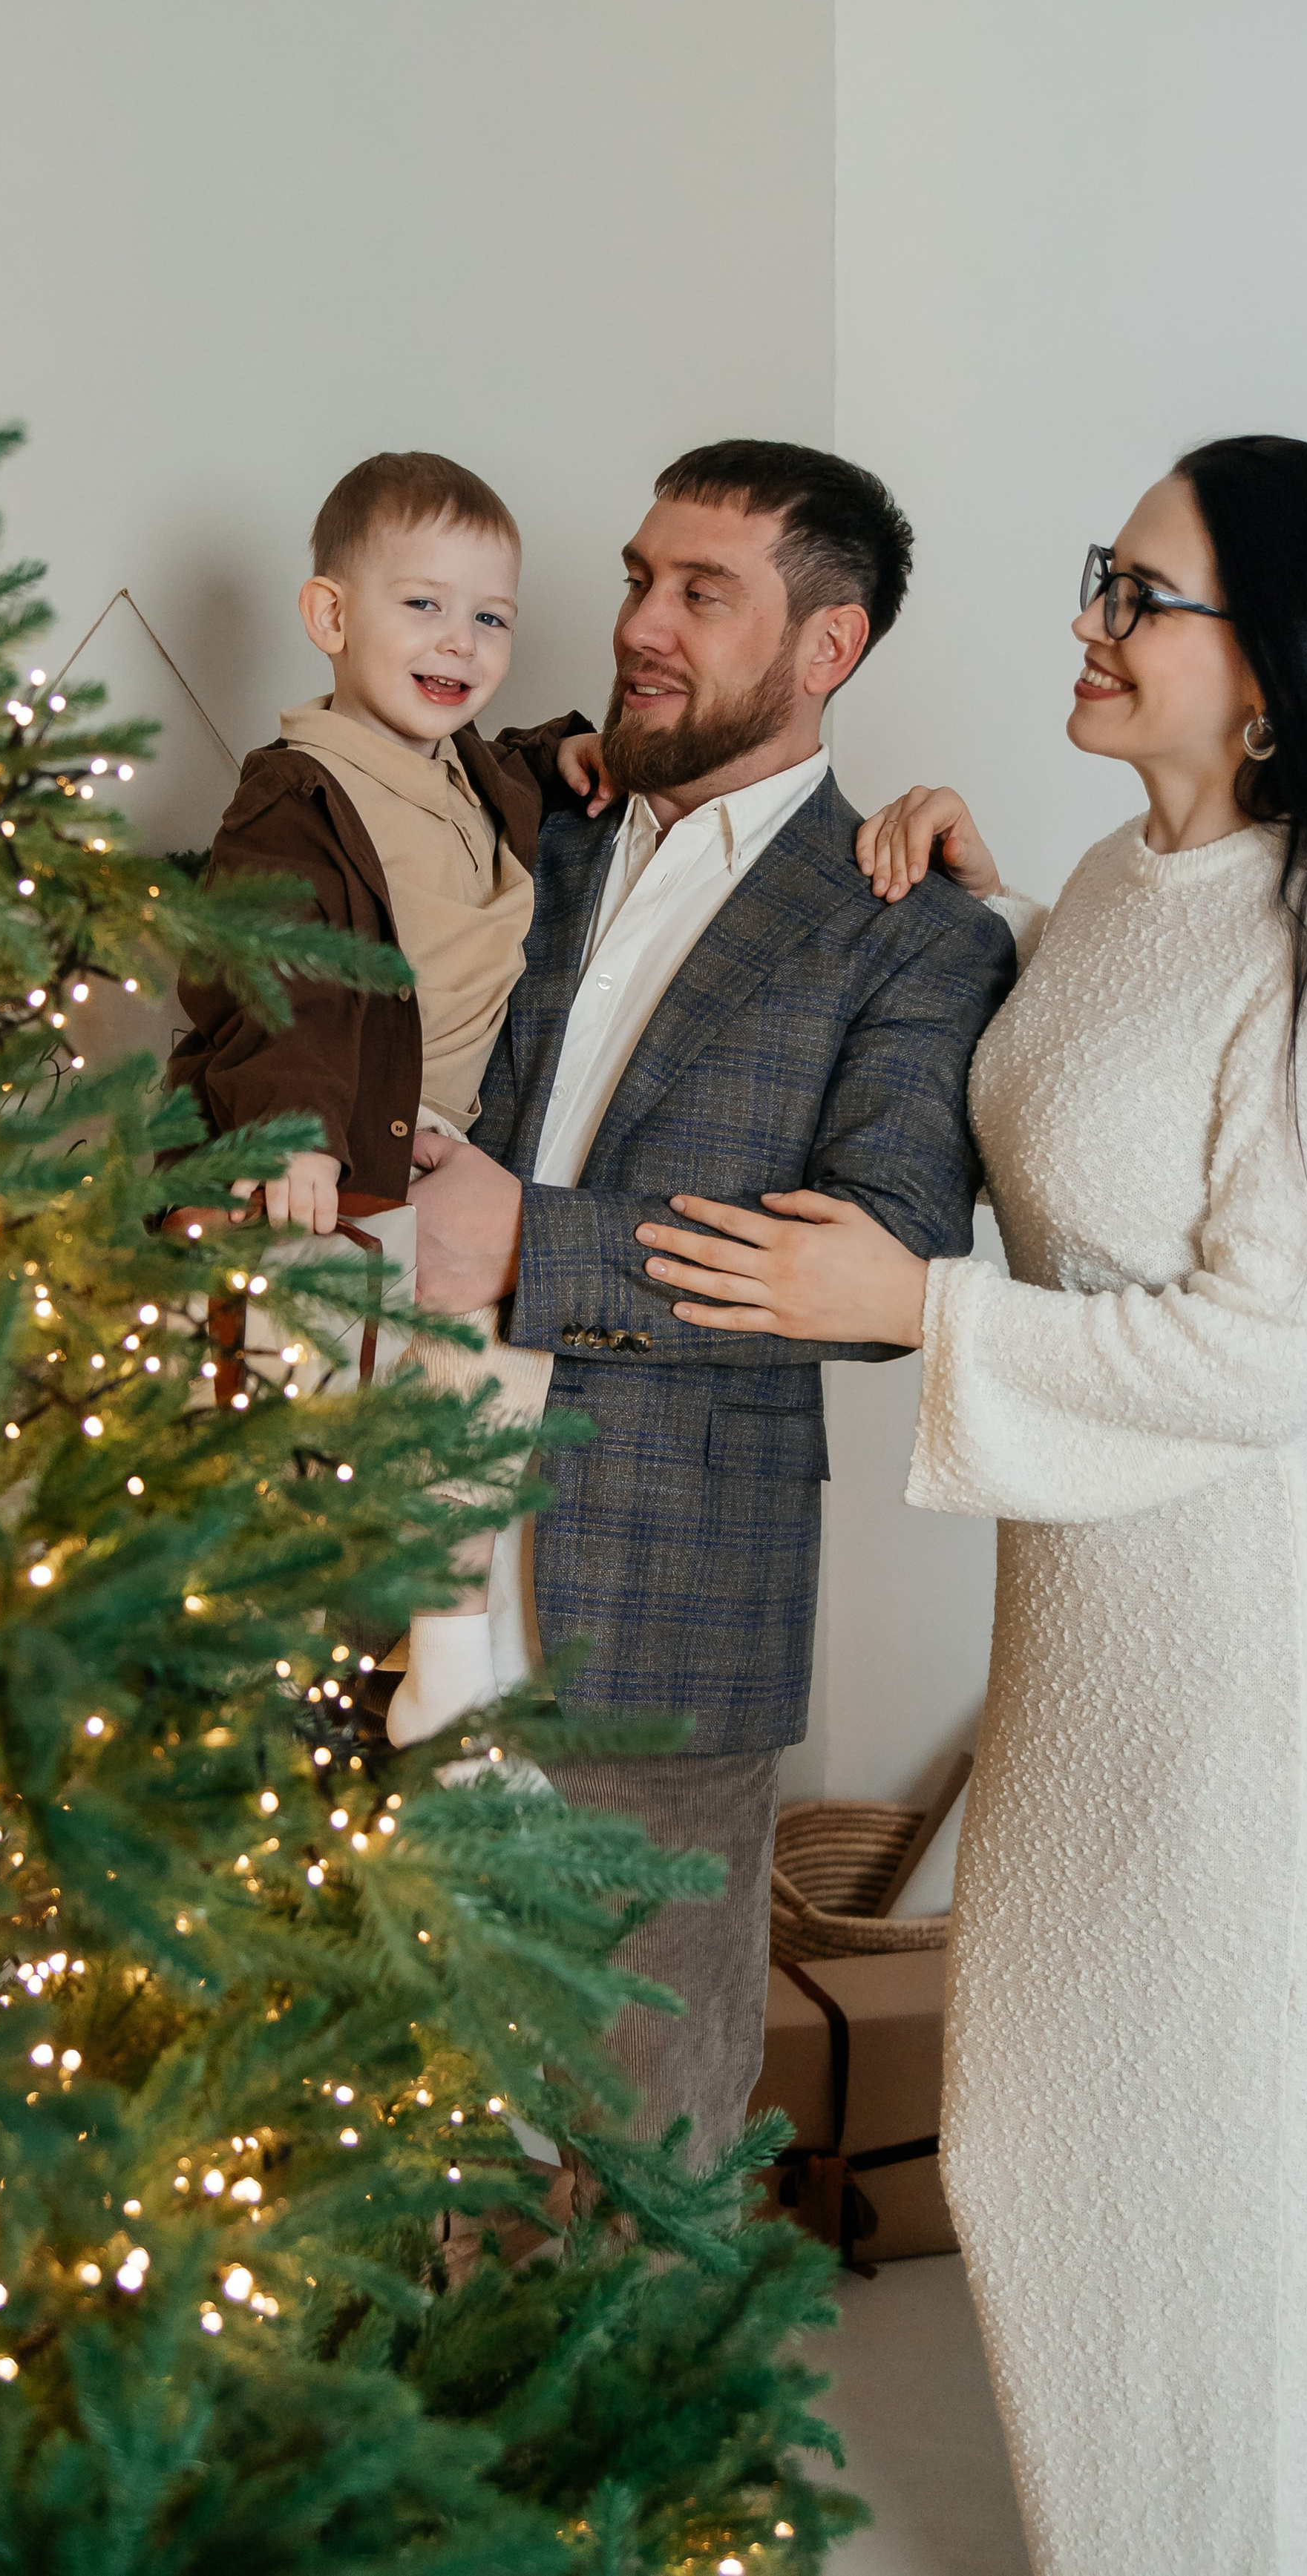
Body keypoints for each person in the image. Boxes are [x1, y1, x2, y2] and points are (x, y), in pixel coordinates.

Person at [633, 436, 1307, 2566]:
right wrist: (989, 906)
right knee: (1042, 2136)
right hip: (1104, 1623)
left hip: (1264, 1642)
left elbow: (1255, 1352)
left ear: (1272, 669)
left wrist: (914, 1306)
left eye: (1142, 596)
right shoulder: (1122, 879)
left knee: (1235, 2171)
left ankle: (1300, 2520)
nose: (1090, 624)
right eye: (1102, 573)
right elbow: (1103, 1083)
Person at [405, 438, 1015, 2158]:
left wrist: (531, 1244)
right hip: (402, 1528)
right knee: (397, 2095)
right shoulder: (528, 824)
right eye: (635, 579)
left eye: (699, 592)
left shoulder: (911, 933)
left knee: (639, 2128)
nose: (638, 625)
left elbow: (875, 1263)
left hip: (666, 1584)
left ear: (826, 646)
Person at [163, 450, 600, 1740]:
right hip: (321, 1141)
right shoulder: (299, 794)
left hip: (423, 1146)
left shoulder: (474, 773)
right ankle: (266, 1686)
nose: (460, 640)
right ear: (330, 616)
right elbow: (280, 958)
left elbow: (517, 758)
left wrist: (573, 746)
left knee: (491, 1364)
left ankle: (449, 1653)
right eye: (423, 605)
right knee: (304, 1418)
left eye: (491, 616)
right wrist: (287, 1125)